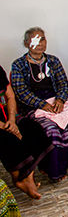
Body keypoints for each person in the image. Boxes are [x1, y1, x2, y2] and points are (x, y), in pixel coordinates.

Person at [11, 27, 68, 182]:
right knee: (52, 130)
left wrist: (60, 100)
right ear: (26, 43)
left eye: (42, 39)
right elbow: (21, 92)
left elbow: (64, 84)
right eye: (34, 40)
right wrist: (41, 104)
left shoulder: (53, 61)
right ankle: (55, 170)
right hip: (34, 107)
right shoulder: (18, 65)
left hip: (55, 102)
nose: (40, 43)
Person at [0, 65, 52, 200]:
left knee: (32, 129)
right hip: (1, 124)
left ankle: (29, 178)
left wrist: (11, 120)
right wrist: (7, 127)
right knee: (8, 139)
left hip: (5, 117)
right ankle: (18, 178)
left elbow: (10, 96)